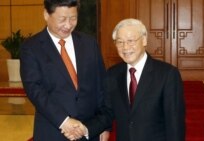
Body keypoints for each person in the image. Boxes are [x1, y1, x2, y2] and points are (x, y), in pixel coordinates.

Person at [20, 0, 110, 140]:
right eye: (62, 19)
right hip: (53, 130)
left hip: (89, 130)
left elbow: (101, 86)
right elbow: (34, 89)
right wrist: (64, 121)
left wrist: (103, 125)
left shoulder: (89, 43)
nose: (68, 25)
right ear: (46, 14)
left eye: (73, 18)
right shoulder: (32, 48)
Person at [98, 18, 186, 141]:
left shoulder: (167, 74)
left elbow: (175, 123)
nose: (125, 47)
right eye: (120, 42)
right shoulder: (112, 74)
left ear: (144, 40)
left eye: (130, 41)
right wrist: (87, 128)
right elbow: (107, 112)